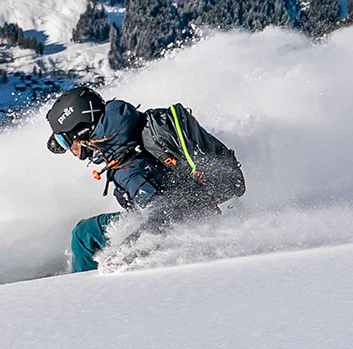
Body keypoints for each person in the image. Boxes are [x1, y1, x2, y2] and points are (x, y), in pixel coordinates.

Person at [46, 85, 242, 272]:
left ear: (82, 131)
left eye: (65, 141)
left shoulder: (126, 163)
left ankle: (80, 287)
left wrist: (124, 253)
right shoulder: (125, 130)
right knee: (84, 230)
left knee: (83, 236)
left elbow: (164, 212)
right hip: (193, 206)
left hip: (186, 220)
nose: (68, 150)